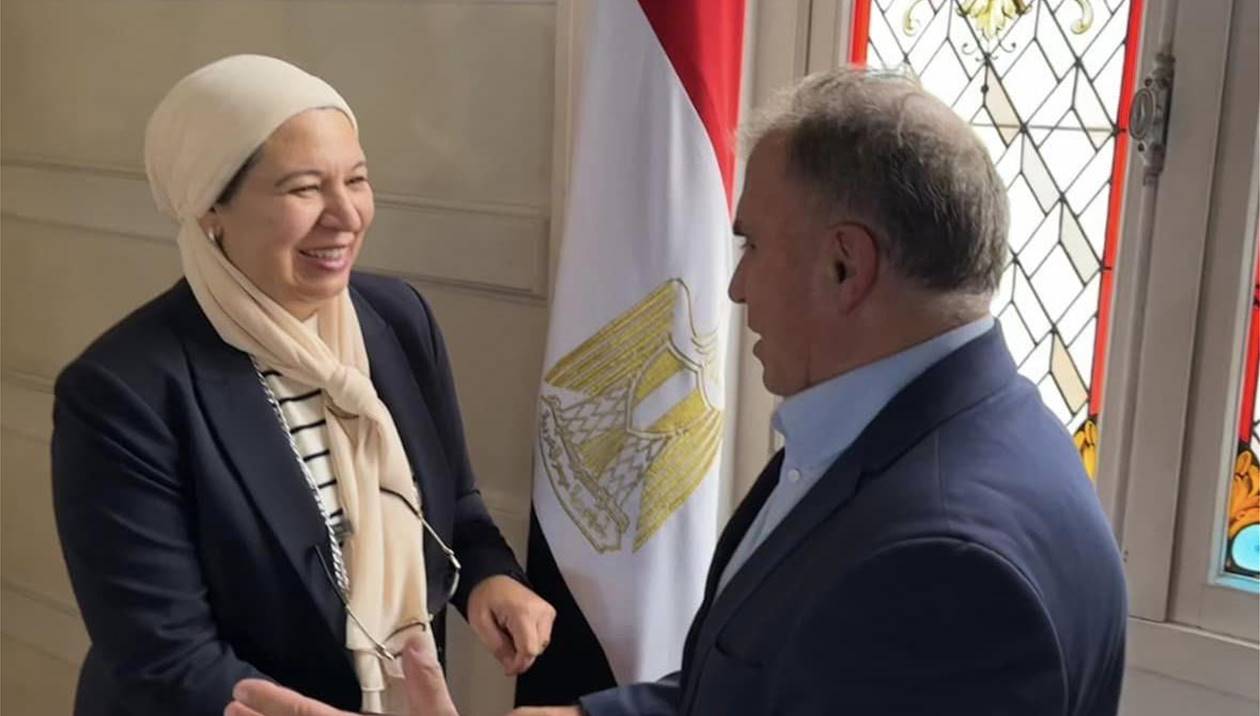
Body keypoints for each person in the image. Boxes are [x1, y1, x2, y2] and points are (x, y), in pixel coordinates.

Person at [235, 65, 1129, 716]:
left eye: (752, 247)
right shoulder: (923, 425)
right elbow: (745, 689)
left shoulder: (948, 566)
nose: (733, 289)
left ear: (845, 265)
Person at [51, 54, 554, 716]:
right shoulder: (123, 391)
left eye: (357, 179)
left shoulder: (397, 320)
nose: (346, 215)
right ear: (211, 206)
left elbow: (454, 506)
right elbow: (164, 655)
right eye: (304, 188)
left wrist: (492, 577)